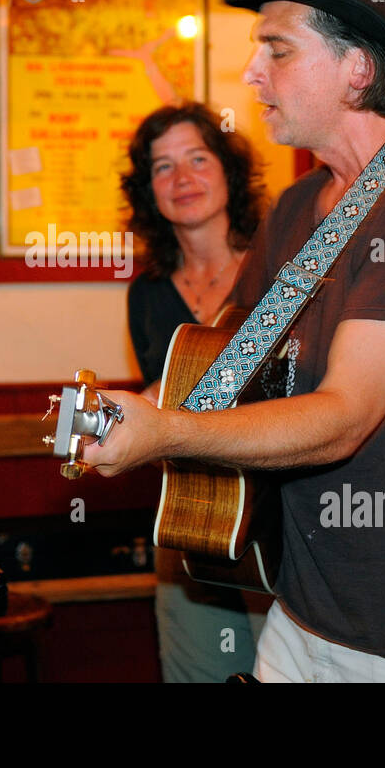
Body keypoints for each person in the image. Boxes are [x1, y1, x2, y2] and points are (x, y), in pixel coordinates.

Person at [87, 0, 385, 682]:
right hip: (301, 609)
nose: (251, 72)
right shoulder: (299, 207)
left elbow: (344, 415)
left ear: (357, 69)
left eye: (278, 50)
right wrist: (124, 413)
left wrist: (166, 431)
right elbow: (228, 360)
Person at [121, 102, 266, 683]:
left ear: (229, 171)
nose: (182, 179)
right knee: (194, 674)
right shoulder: (147, 293)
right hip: (184, 517)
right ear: (148, 189)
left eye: (198, 159)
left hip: (272, 526)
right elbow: (159, 397)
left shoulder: (277, 271)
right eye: (162, 167)